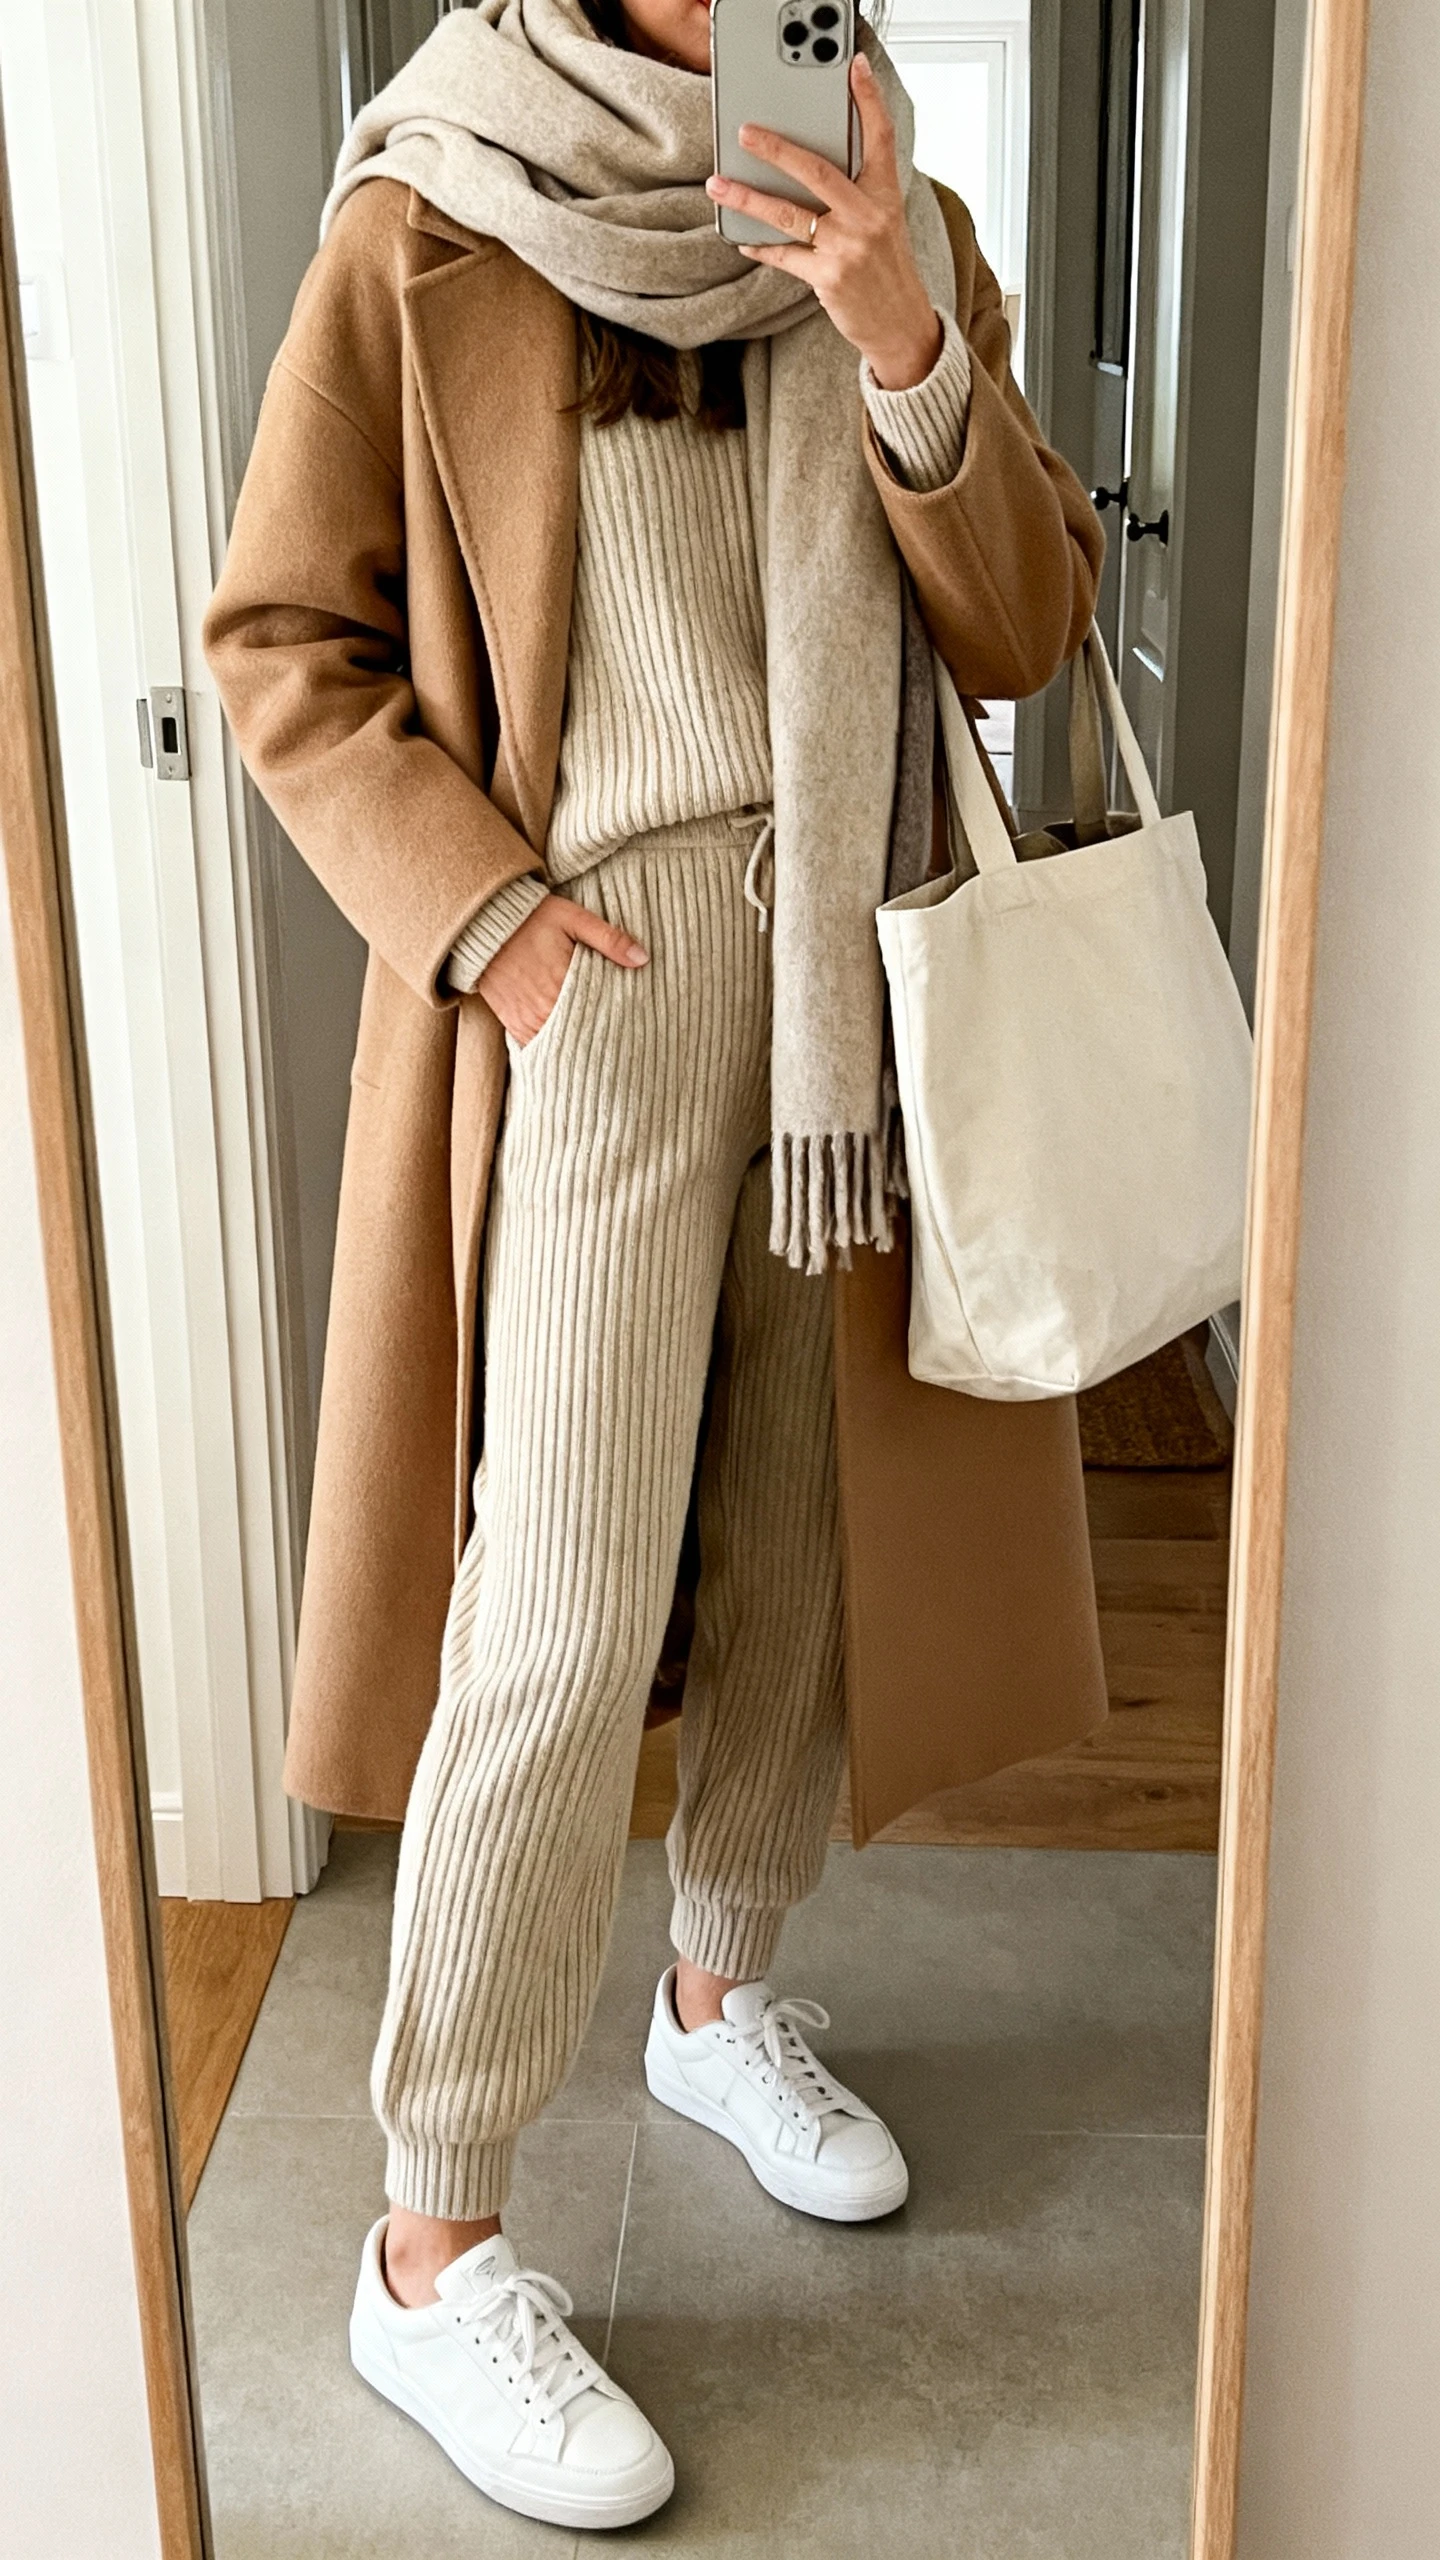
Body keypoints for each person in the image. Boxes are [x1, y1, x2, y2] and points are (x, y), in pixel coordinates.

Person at [205, 0, 1102, 2529]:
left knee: (806, 1550)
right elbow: (290, 641)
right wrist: (482, 922)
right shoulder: (430, 211)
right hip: (587, 991)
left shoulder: (878, 194)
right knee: (565, 1601)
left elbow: (1023, 628)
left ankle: (719, 1992)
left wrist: (905, 328)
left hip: (845, 996)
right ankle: (433, 2225)